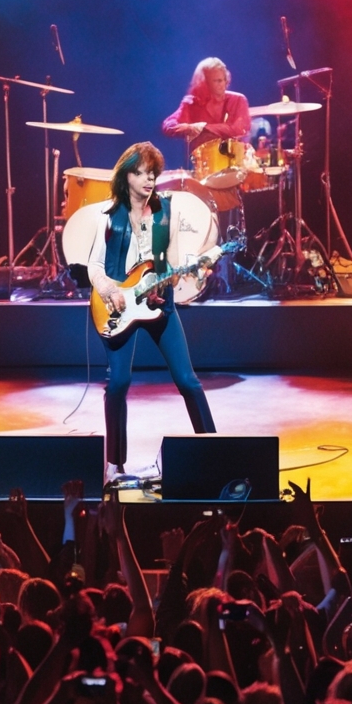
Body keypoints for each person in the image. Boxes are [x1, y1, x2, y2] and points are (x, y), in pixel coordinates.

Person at [87, 142, 216, 483]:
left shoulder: (167, 213)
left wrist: (190, 269)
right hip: (117, 307)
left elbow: (176, 260)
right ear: (126, 176)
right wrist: (109, 290)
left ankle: (216, 449)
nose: (148, 180)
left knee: (188, 380)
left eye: (153, 174)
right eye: (141, 173)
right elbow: (95, 266)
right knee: (118, 383)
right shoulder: (109, 217)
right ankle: (114, 465)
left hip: (161, 305)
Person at [162, 59, 252, 161]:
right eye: (216, 81)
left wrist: (203, 127)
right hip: (202, 163)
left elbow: (239, 129)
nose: (222, 84)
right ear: (205, 82)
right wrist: (187, 128)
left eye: (223, 80)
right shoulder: (193, 103)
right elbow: (168, 125)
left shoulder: (238, 100)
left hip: (233, 161)